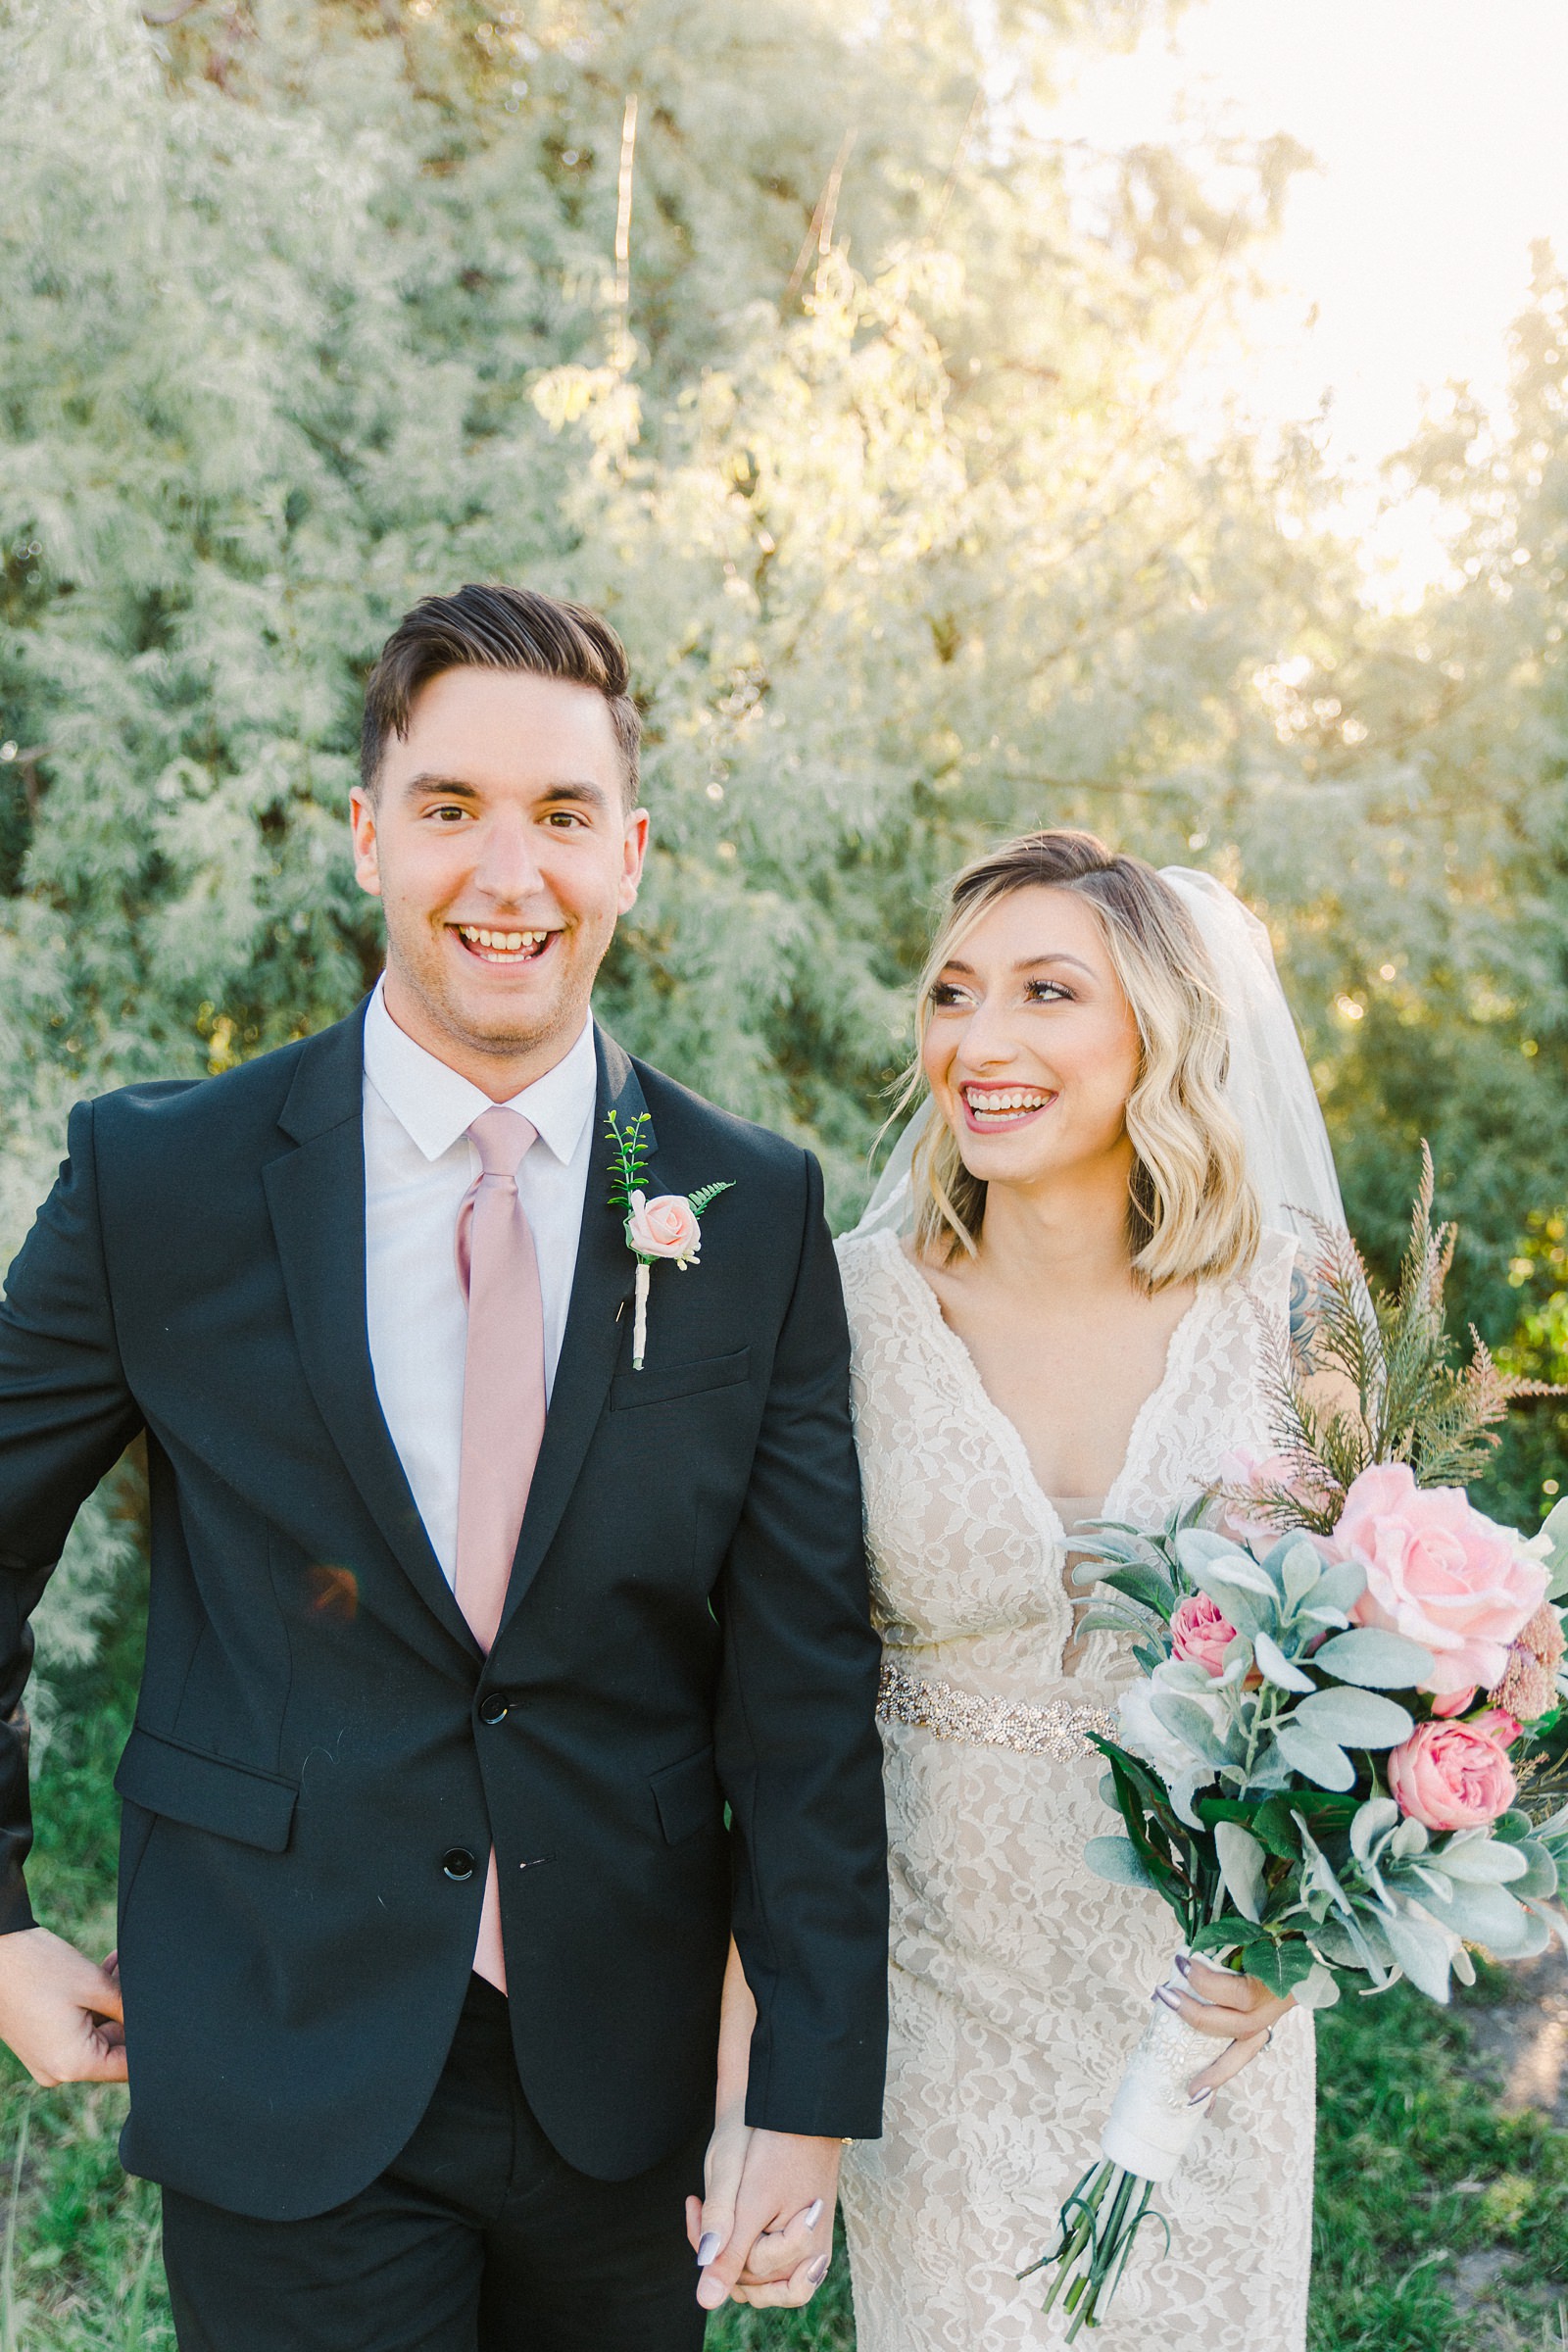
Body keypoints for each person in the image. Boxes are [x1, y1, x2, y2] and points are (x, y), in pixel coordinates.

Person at [0, 585, 888, 2351]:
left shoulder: (756, 1206)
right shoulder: (158, 1186)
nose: (510, 874)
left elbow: (802, 1684)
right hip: (277, 2032)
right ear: (366, 836)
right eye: (451, 807)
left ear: (629, 855)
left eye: (563, 817)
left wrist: (804, 2082)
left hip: (626, 2090)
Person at [693, 828, 1336, 2344]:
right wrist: (746, 2094)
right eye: (953, 994)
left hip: (1202, 2007)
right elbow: (768, 1720)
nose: (980, 1043)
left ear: (1157, 1033)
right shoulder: (842, 1307)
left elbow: (1392, 1677)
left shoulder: (1294, 1300)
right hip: (933, 1999)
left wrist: (1286, 1943)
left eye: (1047, 992)